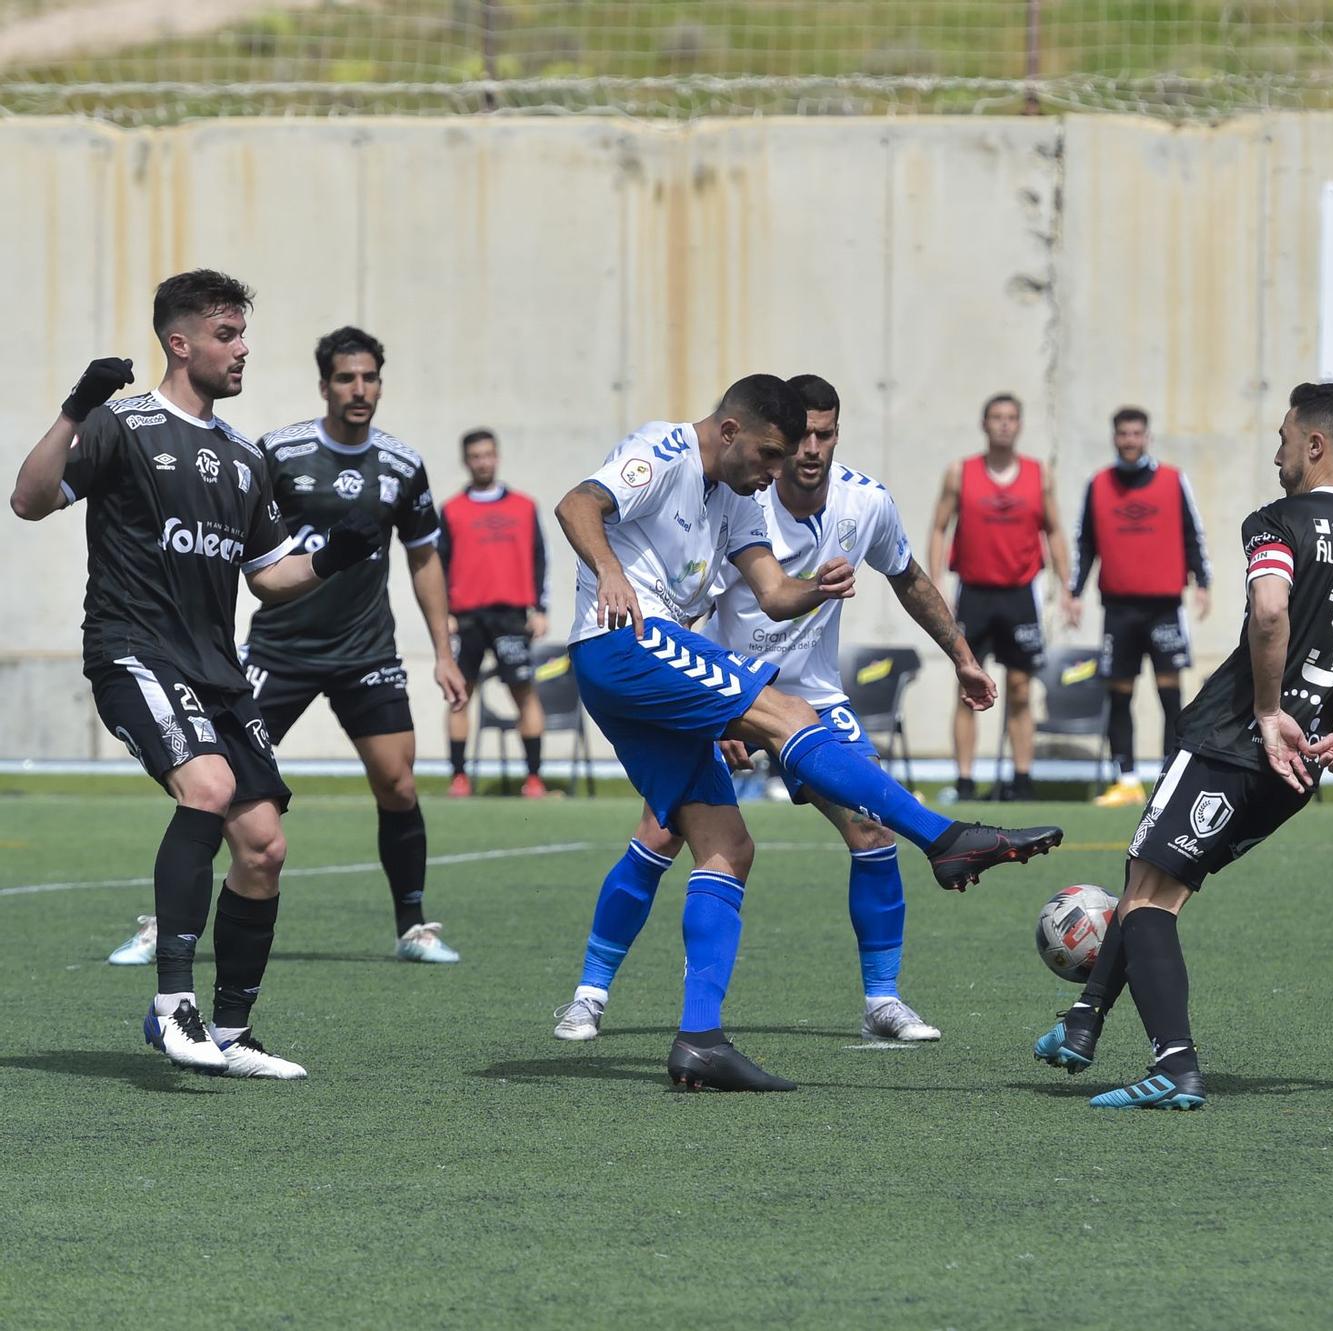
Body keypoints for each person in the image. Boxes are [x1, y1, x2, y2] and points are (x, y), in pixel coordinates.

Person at [557, 374, 1062, 1091]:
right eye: (770, 454)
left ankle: (700, 1038)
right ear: (730, 431)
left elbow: (770, 590)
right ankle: (945, 839)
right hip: (626, 640)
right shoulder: (664, 449)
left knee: (727, 848)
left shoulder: (742, 499)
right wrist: (608, 572)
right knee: (793, 717)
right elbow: (577, 502)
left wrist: (817, 589)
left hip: (651, 671)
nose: (776, 471)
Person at [1033, 382, 1333, 1109]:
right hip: (1300, 765)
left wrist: (1264, 709)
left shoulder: (1279, 520)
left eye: (1286, 435)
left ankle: (1176, 1067)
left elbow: (1268, 609)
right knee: (1151, 878)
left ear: (1316, 444)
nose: (1278, 450)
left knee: (1149, 903)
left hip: (1235, 736)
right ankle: (1082, 1022)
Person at [10, 269, 381, 1077]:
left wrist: (334, 557)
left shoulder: (245, 454)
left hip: (216, 673)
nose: (242, 349)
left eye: (243, 333)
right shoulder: (125, 423)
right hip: (133, 651)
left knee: (264, 845)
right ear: (179, 343)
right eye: (226, 334)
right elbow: (29, 499)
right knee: (208, 791)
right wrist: (77, 406)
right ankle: (172, 1006)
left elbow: (269, 574)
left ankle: (229, 1032)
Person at [232, 326, 469, 965]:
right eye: (346, 378)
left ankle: (413, 928)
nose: (358, 389)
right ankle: (165, 925)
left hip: (367, 653)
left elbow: (424, 559)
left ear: (380, 384)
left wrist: (443, 652)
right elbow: (237, 542)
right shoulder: (277, 454)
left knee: (397, 783)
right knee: (220, 782)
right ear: (324, 385)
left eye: (369, 378)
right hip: (277, 650)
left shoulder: (401, 464)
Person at [1065, 406, 1212, 807]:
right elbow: (1085, 542)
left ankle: (1171, 777)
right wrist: (1074, 592)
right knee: (1120, 695)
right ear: (1115, 438)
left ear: (1147, 437)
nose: (1130, 440)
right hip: (1119, 609)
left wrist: (1204, 581)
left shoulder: (1172, 479)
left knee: (1169, 694)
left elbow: (1192, 532)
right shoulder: (1098, 484)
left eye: (1136, 433)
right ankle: (1126, 780)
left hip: (1164, 606)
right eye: (1123, 434)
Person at [928, 393, 1072, 802]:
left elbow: (1055, 529)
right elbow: (939, 527)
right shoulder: (960, 473)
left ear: (1020, 424)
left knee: (1022, 689)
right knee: (967, 685)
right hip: (974, 594)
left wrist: (1066, 587)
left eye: (1011, 418)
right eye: (997, 418)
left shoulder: (1038, 474)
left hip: (1019, 596)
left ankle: (1022, 779)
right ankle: (966, 781)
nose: (1004, 424)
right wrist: (936, 580)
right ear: (985, 424)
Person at [439, 428, 550, 798]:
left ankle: (534, 779)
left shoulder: (524, 506)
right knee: (459, 695)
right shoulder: (451, 510)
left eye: (488, 454)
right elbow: (437, 566)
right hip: (466, 616)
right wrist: (444, 614)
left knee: (524, 694)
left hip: (511, 615)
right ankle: (459, 777)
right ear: (466, 461)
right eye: (475, 456)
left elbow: (539, 560)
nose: (483, 461)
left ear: (497, 456)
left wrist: (540, 609)